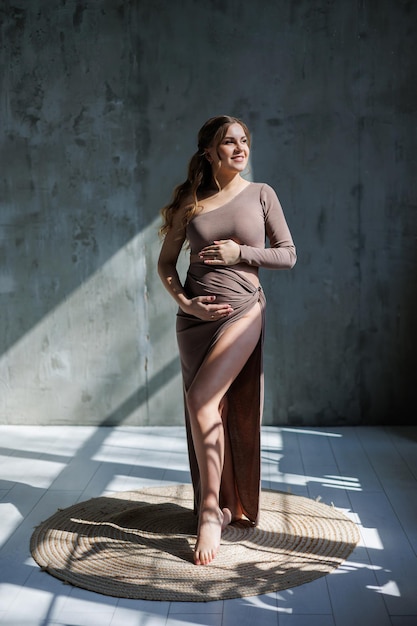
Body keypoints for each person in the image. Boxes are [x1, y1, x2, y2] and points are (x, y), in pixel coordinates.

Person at [157, 115, 296, 566]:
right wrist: (188, 304)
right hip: (195, 320)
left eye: (243, 141)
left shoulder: (262, 194)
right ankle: (217, 502)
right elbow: (165, 265)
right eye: (228, 142)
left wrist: (241, 254)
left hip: (244, 309)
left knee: (201, 400)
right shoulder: (190, 203)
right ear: (209, 152)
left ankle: (209, 514)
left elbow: (288, 254)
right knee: (208, 407)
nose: (239, 148)